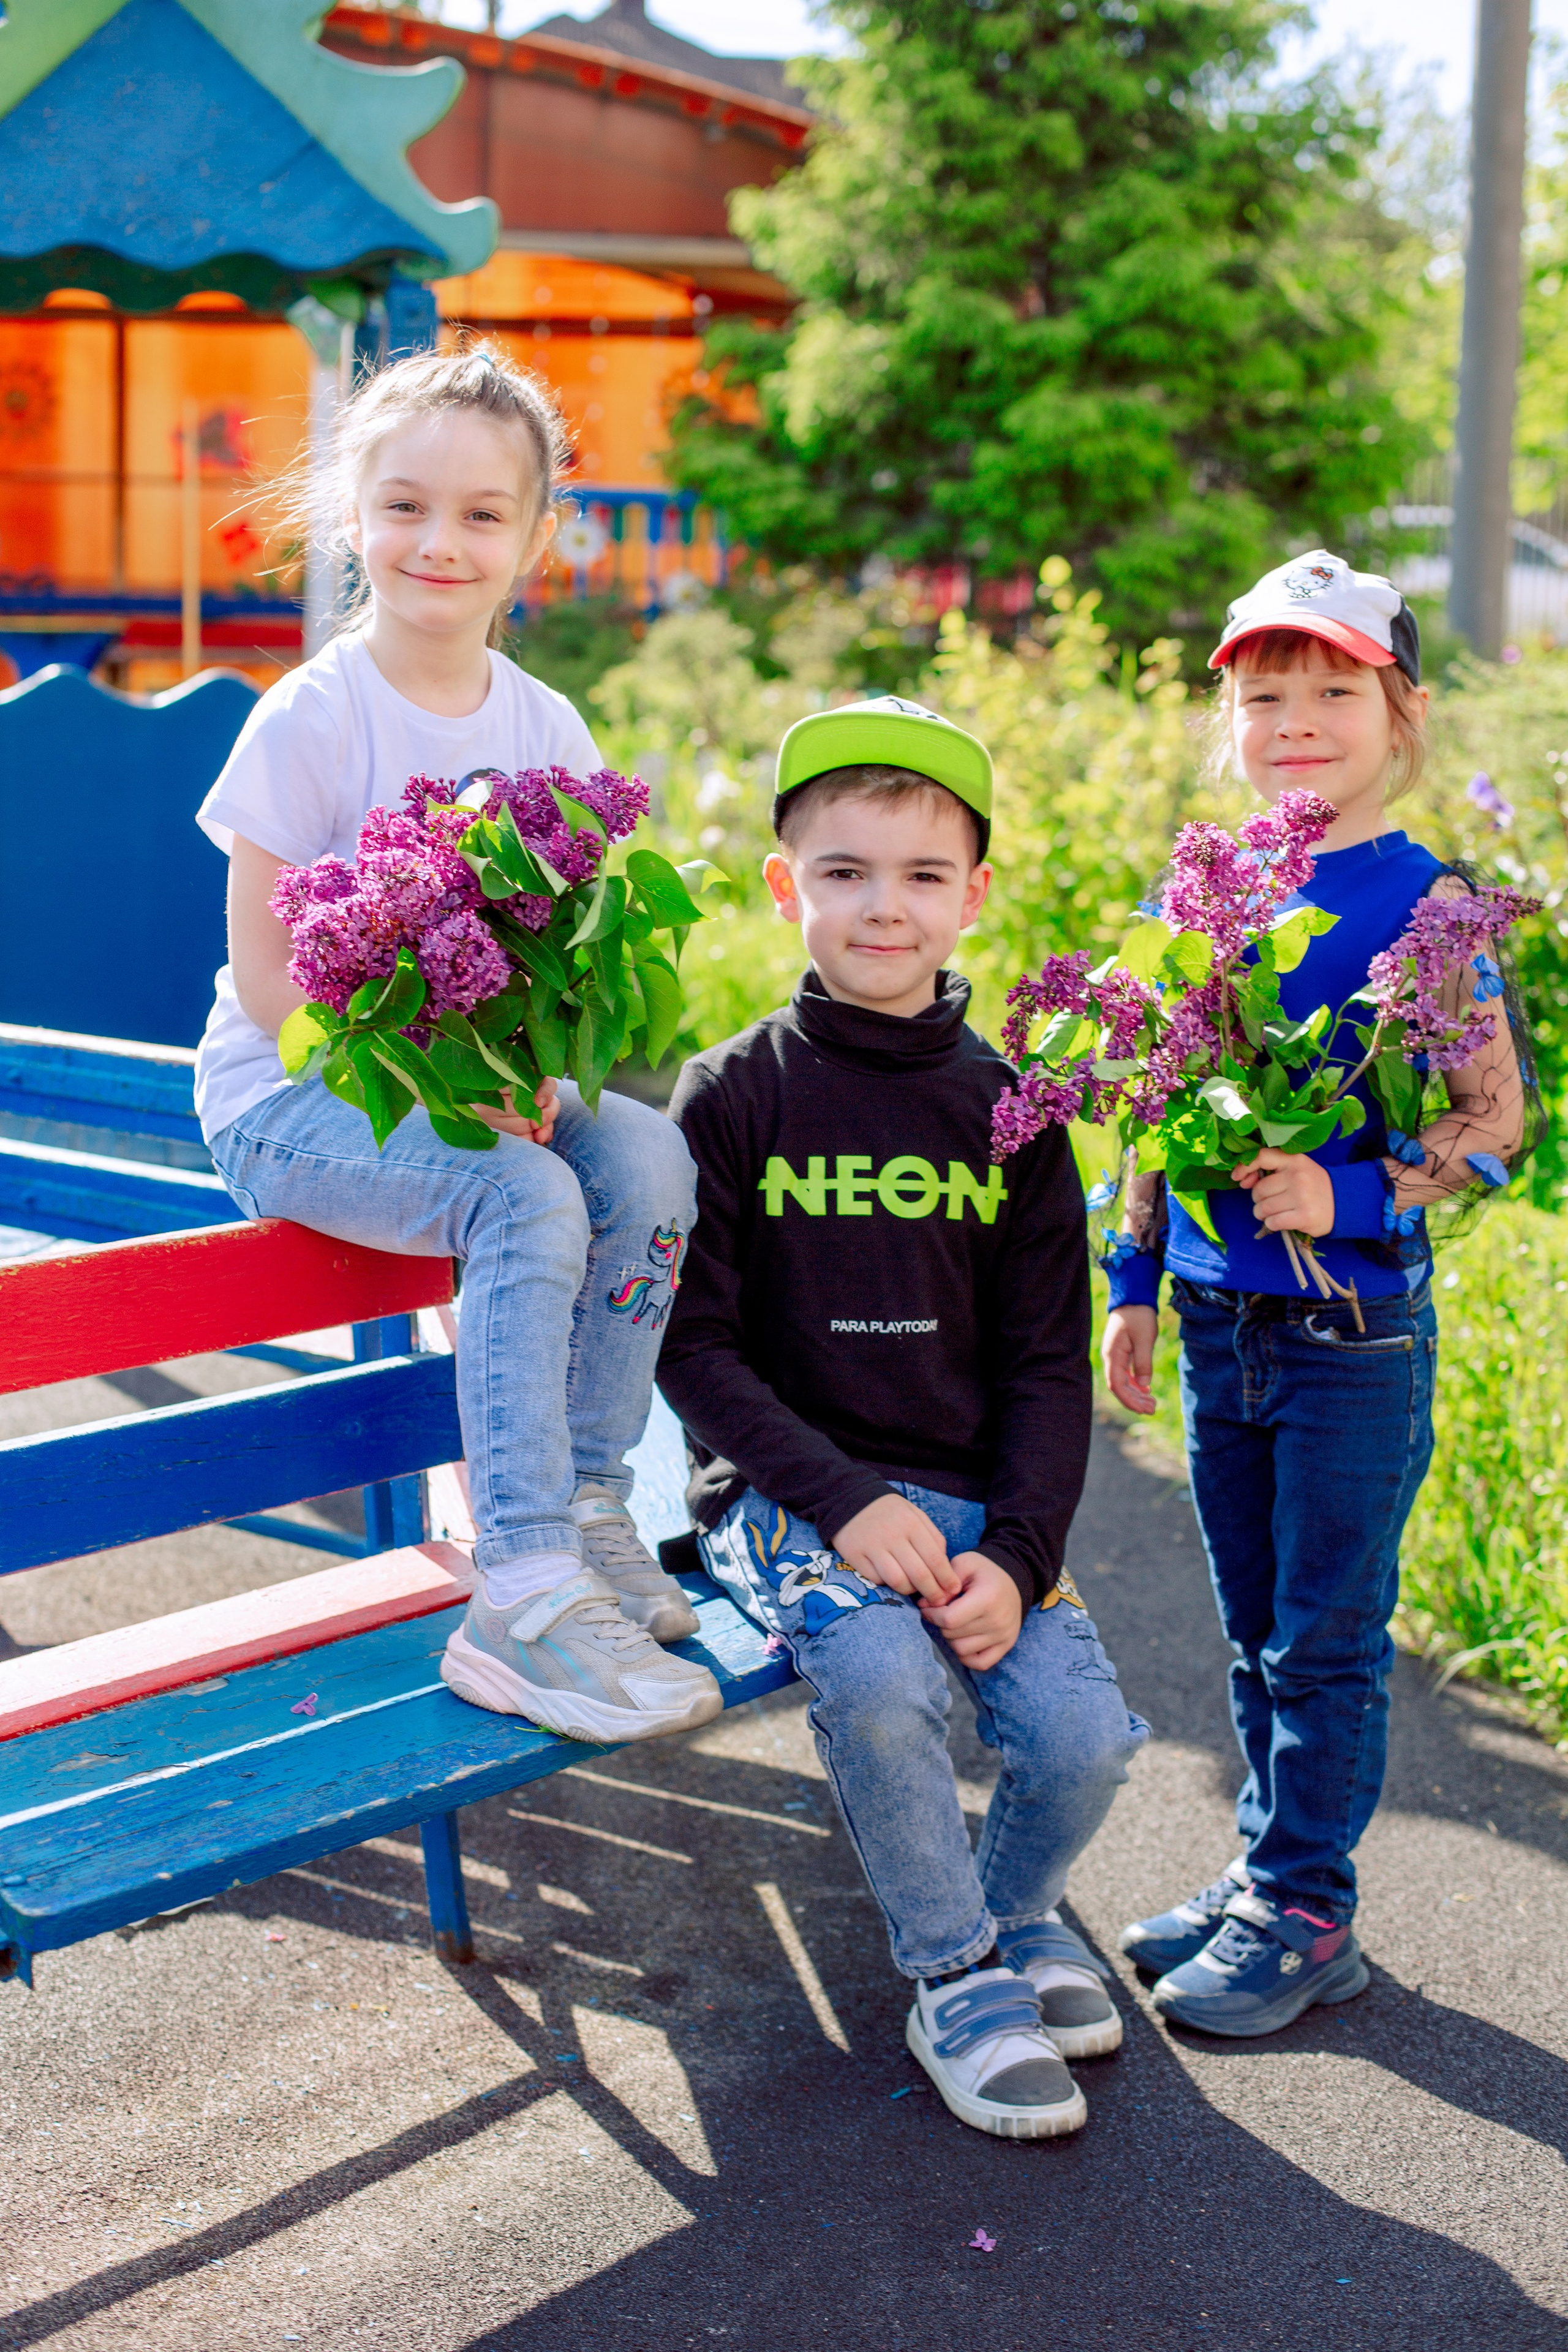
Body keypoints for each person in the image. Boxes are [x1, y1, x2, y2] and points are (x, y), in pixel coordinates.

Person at [194, 342, 718, 1747]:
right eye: (407, 505)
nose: (441, 541)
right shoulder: (312, 713)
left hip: (476, 1101)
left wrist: (536, 1075)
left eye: (485, 514)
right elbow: (263, 980)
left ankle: (591, 1502)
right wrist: (461, 1101)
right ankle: (522, 1587)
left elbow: (571, 971)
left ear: (537, 539)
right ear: (350, 514)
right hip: (291, 1096)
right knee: (523, 1189)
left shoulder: (544, 725)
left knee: (650, 1156)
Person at [658, 697, 1148, 2139]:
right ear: (782, 883)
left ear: (973, 897)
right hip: (790, 1501)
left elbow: (1047, 1368)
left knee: (1082, 1739)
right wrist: (835, 1500)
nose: (885, 906)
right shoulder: (731, 1095)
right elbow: (689, 1347)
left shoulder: (1012, 1112)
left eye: (924, 875)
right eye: (845, 870)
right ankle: (954, 1979)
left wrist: (1017, 1548)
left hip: (968, 1506)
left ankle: (1010, 1915)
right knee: (878, 1683)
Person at [1106, 552, 1534, 2035]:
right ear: (1229, 720)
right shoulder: (1204, 895)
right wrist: (1134, 1281)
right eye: (1263, 693)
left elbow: (1498, 1128)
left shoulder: (1435, 910)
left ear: (1398, 714)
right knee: (1248, 1628)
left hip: (1355, 1335)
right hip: (1222, 1327)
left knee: (1326, 1637)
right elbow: (1152, 1097)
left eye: (1332, 690)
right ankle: (1261, 1872)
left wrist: (1345, 1196)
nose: (1295, 719)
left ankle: (1306, 1912)